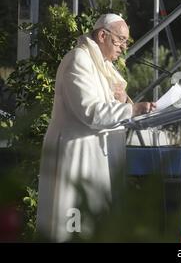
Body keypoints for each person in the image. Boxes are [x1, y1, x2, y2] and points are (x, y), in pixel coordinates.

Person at [36, 14, 156, 242]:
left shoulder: (103, 66)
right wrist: (132, 109)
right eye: (120, 40)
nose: (124, 47)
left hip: (100, 161)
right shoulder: (79, 60)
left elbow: (110, 109)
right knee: (76, 228)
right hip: (79, 158)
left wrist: (124, 102)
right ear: (102, 35)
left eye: (126, 42)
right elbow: (89, 111)